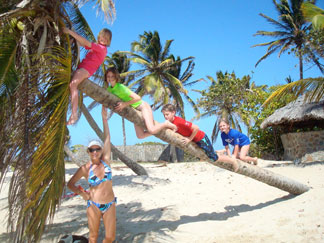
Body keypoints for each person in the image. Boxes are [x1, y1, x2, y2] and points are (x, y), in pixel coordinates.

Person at [67, 105, 116, 243]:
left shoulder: (106, 161)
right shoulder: (85, 168)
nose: (95, 152)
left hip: (110, 204)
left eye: (97, 149)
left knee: (110, 237)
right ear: (88, 152)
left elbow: (107, 137)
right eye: (92, 150)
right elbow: (70, 184)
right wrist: (83, 194)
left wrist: (104, 119)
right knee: (93, 237)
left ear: (101, 151)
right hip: (93, 205)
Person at [161, 104, 238, 171]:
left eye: (167, 114)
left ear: (173, 112)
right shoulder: (171, 122)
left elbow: (196, 128)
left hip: (201, 138)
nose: (165, 117)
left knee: (214, 158)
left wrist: (189, 139)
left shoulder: (179, 121)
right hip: (196, 140)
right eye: (164, 115)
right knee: (206, 154)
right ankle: (219, 151)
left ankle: (232, 161)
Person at [105, 67, 177, 138]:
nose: (110, 78)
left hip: (142, 106)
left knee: (151, 130)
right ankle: (160, 128)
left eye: (112, 76)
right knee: (140, 136)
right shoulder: (109, 90)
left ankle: (165, 124)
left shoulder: (120, 87)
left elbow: (138, 98)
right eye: (108, 76)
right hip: (134, 111)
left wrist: (124, 104)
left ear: (116, 77)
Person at [63, 27, 112, 125]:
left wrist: (70, 32)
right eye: (103, 36)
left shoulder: (102, 48)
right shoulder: (97, 46)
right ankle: (73, 113)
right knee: (72, 86)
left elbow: (85, 42)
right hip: (83, 68)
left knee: (73, 85)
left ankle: (74, 114)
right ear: (99, 36)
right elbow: (82, 43)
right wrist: (72, 39)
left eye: (107, 39)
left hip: (86, 69)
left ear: (108, 41)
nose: (104, 39)